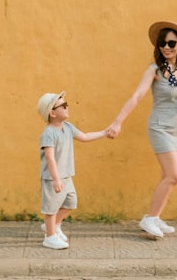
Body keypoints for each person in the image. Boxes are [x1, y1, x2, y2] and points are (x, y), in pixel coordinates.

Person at [107, 21, 177, 239]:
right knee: (173, 175)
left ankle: (156, 216)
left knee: (166, 176)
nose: (166, 47)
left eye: (171, 43)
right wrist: (117, 121)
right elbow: (137, 96)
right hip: (159, 127)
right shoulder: (154, 70)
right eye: (162, 43)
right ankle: (149, 219)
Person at [36, 91, 111, 249]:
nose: (67, 107)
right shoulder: (48, 134)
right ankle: (49, 237)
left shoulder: (68, 127)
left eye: (66, 104)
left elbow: (84, 136)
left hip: (66, 175)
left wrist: (104, 133)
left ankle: (53, 226)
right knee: (51, 208)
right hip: (52, 178)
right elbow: (49, 157)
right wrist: (56, 179)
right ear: (52, 113)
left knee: (71, 203)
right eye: (63, 105)